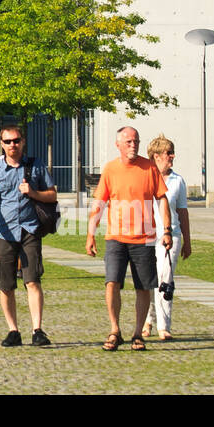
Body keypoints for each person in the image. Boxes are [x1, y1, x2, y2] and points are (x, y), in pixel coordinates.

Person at [85, 126, 171, 352]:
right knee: (111, 282)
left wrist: (168, 230)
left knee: (143, 287)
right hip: (115, 237)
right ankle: (115, 330)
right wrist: (90, 234)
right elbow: (99, 203)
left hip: (143, 238)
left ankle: (137, 334)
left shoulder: (149, 167)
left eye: (136, 141)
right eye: (129, 142)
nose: (133, 145)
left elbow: (162, 199)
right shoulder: (110, 169)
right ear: (118, 145)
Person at [0, 124, 55, 348]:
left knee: (32, 280)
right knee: (6, 284)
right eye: (8, 141)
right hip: (4, 232)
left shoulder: (35, 165)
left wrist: (33, 192)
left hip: (30, 230)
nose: (13, 145)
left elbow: (52, 195)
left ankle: (37, 330)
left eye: (16, 140)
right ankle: (13, 330)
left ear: (23, 142)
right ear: (2, 144)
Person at [142, 134, 192, 341]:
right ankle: (148, 319)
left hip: (170, 235)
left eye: (172, 152)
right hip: (145, 235)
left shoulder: (177, 181)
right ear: (156, 156)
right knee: (147, 280)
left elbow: (182, 212)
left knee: (165, 278)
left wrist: (187, 241)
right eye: (167, 153)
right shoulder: (144, 177)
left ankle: (164, 325)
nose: (172, 156)